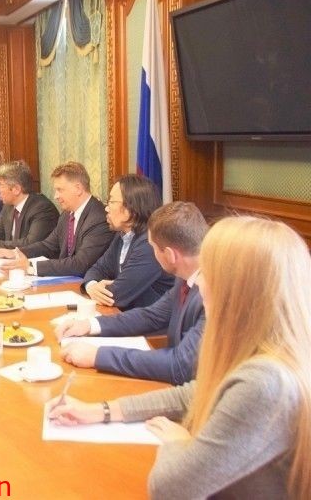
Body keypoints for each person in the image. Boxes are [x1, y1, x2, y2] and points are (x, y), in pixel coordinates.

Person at [49, 216, 311, 499]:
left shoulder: (265, 383)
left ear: (238, 289)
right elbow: (194, 393)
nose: (200, 281)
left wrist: (180, 443)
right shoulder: (267, 349)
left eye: (208, 270)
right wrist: (102, 411)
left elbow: (169, 488)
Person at [56, 202, 208, 384]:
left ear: (170, 255)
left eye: (153, 248)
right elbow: (152, 316)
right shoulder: (185, 278)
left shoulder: (214, 294)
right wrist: (89, 325)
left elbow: (180, 366)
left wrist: (98, 356)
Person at [0, 161, 113, 277]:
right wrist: (16, 253)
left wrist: (30, 266)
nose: (56, 196)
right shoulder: (67, 214)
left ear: (78, 188)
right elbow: (48, 246)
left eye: (60, 190)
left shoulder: (98, 218)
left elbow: (80, 263)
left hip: (86, 285)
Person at [81, 174, 173, 310]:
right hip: (129, 315)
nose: (106, 208)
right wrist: (91, 285)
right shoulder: (122, 236)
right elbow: (97, 269)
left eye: (111, 202)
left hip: (153, 321)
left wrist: (97, 289)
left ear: (131, 208)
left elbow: (117, 295)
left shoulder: (150, 243)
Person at [0, 160, 59, 251]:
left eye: (1, 185)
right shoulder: (9, 206)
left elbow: (31, 243)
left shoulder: (42, 208)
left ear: (16, 189)